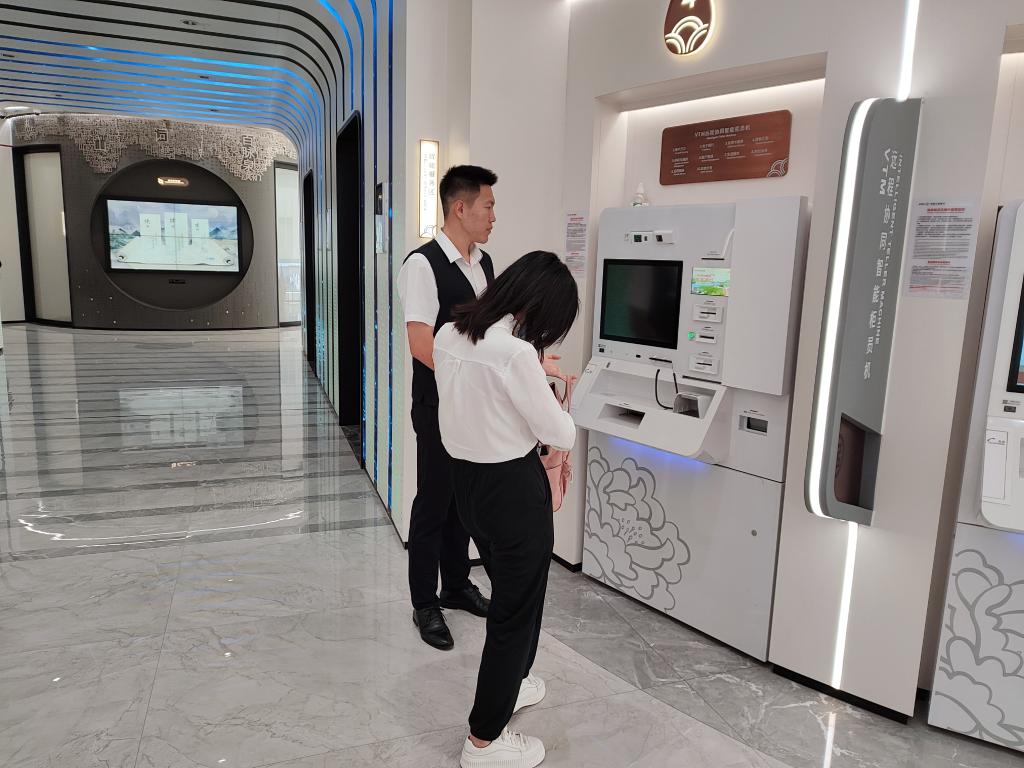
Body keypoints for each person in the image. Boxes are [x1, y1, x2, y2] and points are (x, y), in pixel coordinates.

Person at [433, 251, 579, 768]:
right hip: (514, 491)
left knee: (515, 596)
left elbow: (479, 403)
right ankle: (484, 740)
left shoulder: (448, 334)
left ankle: (513, 682)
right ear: (538, 308)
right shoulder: (514, 354)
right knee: (515, 612)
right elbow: (559, 432)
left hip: (468, 485)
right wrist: (552, 390)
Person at [397, 165, 498, 650]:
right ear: (460, 207)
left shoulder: (485, 264)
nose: (494, 216)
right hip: (438, 404)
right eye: (488, 206)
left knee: (465, 501)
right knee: (434, 503)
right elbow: (421, 344)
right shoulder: (423, 265)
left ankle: (456, 585)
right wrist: (473, 375)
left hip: (474, 407)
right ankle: (424, 602)